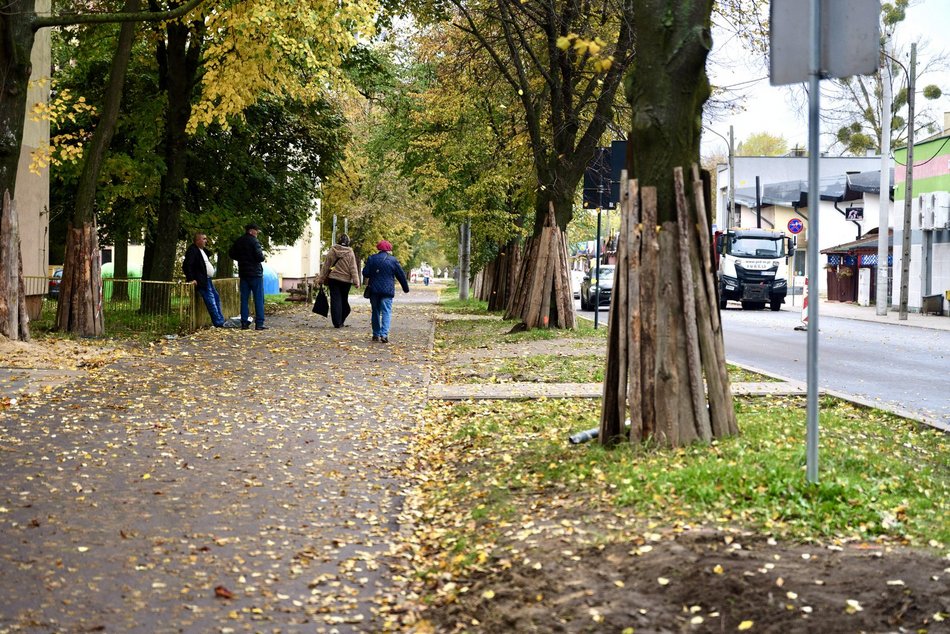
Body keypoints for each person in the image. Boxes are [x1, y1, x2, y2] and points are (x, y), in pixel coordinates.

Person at [362, 240, 409, 343]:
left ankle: (375, 334)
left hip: (374, 290)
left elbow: (365, 273)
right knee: (386, 311)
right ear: (389, 250)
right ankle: (384, 334)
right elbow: (401, 275)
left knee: (375, 311)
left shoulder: (372, 258)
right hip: (387, 290)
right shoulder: (393, 260)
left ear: (378, 248)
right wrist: (405, 288)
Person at [183, 232, 229, 328]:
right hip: (201, 280)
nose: (206, 241)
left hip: (207, 279)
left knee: (216, 297)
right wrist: (191, 278)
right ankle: (218, 322)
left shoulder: (202, 250)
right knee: (210, 300)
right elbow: (187, 265)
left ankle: (220, 320)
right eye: (204, 239)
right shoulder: (192, 250)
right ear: (197, 240)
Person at [229, 223, 267, 330]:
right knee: (258, 299)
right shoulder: (254, 241)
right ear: (251, 231)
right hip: (255, 274)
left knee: (244, 299)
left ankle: (244, 323)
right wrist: (259, 257)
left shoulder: (239, 241)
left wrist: (241, 259)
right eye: (256, 231)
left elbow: (231, 253)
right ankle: (259, 323)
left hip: (244, 273)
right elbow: (260, 257)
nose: (257, 233)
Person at [316, 234, 360, 328]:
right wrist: (356, 281)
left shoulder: (332, 250)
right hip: (346, 281)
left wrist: (321, 278)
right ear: (348, 242)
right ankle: (341, 320)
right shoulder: (350, 252)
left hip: (334, 279)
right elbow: (353, 267)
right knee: (344, 300)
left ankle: (337, 322)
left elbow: (326, 266)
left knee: (335, 300)